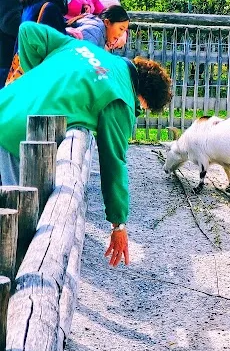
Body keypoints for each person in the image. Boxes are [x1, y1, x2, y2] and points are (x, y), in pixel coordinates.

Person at [0, 22, 172, 266]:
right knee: (20, 223)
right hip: (17, 137)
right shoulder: (120, 98)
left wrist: (37, 78)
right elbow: (114, 162)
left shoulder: (85, 48)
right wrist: (118, 223)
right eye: (142, 109)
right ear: (142, 98)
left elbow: (28, 30)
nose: (138, 112)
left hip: (5, 103)